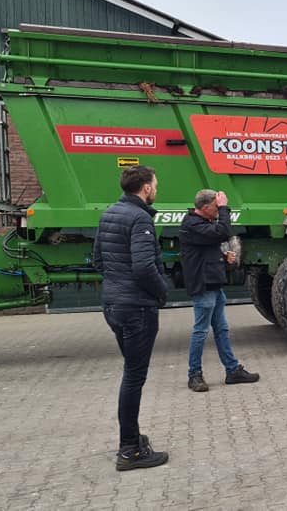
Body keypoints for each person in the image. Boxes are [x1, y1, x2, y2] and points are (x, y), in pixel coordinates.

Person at [93, 165, 169, 471]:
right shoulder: (140, 218)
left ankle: (133, 438)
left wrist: (116, 285)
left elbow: (98, 259)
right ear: (147, 188)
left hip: (113, 305)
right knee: (134, 377)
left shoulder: (110, 213)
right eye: (156, 183)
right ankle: (130, 450)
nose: (156, 188)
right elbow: (143, 267)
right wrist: (162, 292)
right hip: (137, 307)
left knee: (131, 372)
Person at [180, 189, 259, 392]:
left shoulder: (203, 225)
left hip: (214, 286)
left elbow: (205, 250)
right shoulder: (192, 224)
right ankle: (194, 375)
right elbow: (223, 232)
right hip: (204, 287)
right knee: (200, 332)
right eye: (216, 207)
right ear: (205, 208)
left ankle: (232, 370)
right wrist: (224, 208)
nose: (218, 211)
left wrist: (224, 260)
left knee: (222, 330)